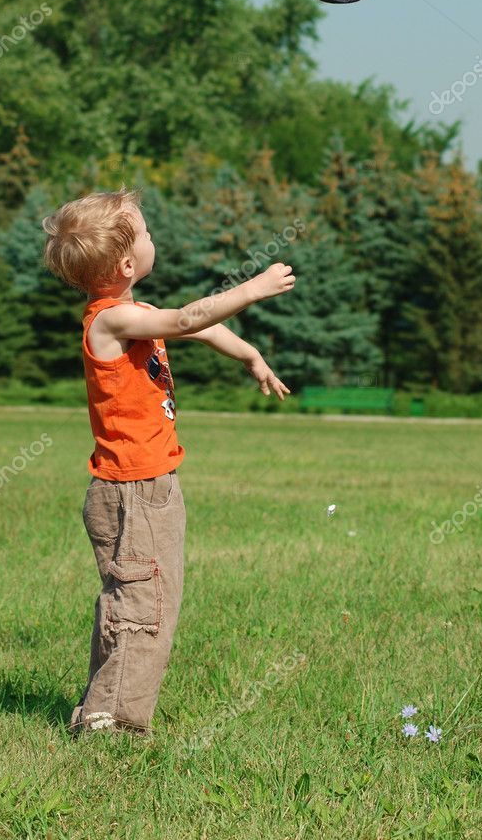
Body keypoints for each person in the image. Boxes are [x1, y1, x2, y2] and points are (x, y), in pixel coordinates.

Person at [41, 185, 295, 738]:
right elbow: (187, 319)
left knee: (132, 597)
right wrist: (254, 288)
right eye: (148, 231)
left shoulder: (133, 313)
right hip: (134, 492)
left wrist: (251, 356)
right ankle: (115, 725)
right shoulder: (107, 322)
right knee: (145, 605)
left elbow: (199, 326)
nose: (156, 238)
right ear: (129, 261)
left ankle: (99, 711)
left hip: (144, 488)